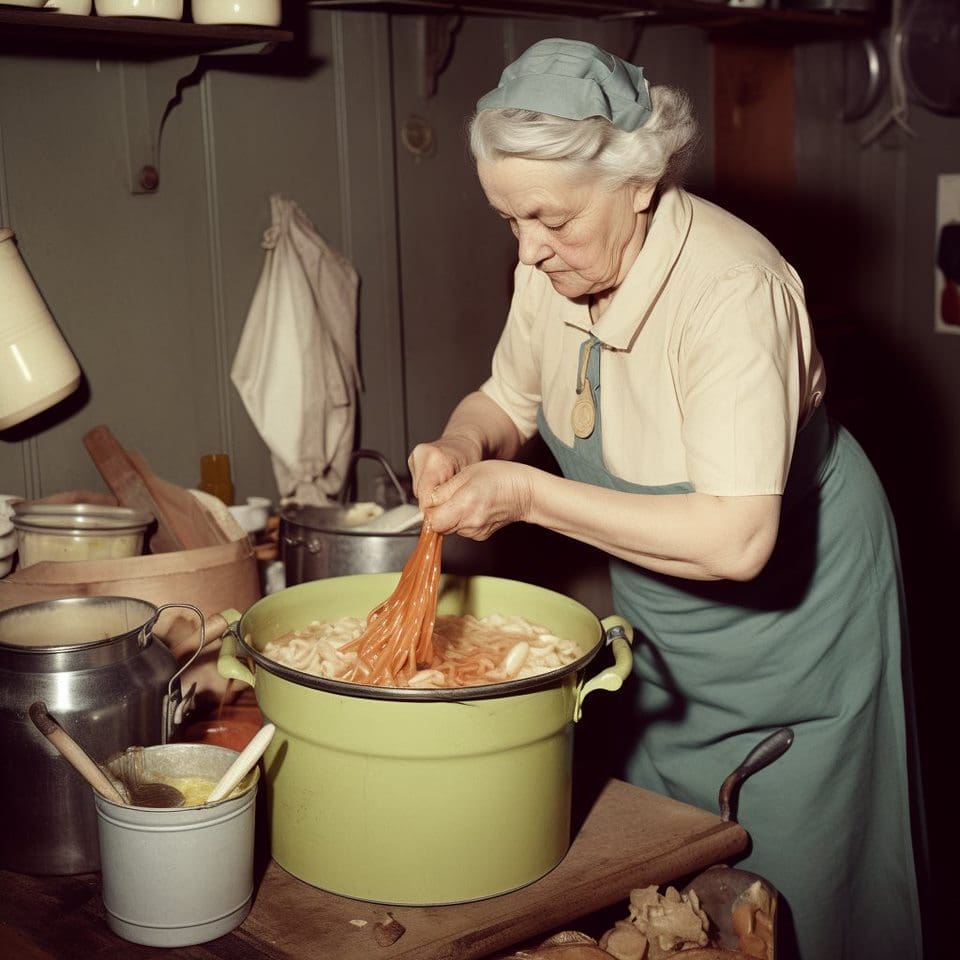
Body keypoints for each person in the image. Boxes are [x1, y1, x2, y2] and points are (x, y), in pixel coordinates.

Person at [407, 37, 923, 960]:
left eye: (550, 219)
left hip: (800, 625)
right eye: (510, 219)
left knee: (795, 891)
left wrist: (527, 495)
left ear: (639, 183)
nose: (528, 250)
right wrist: (459, 443)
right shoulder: (552, 265)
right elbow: (506, 401)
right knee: (670, 869)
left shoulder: (733, 290)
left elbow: (735, 540)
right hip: (667, 616)